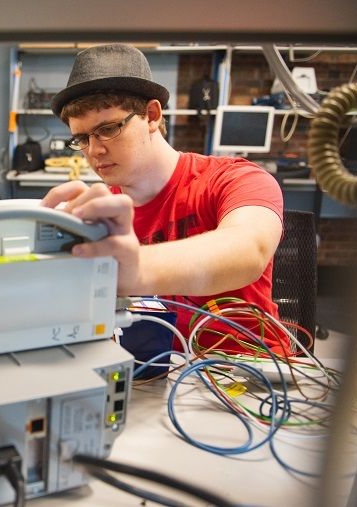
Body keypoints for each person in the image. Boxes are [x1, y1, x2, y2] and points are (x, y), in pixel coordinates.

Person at [40, 44, 285, 353]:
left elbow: (249, 251)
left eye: (108, 129)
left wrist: (137, 270)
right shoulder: (104, 213)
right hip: (154, 376)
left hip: (250, 377)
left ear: (151, 115)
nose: (94, 151)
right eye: (82, 138)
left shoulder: (235, 179)